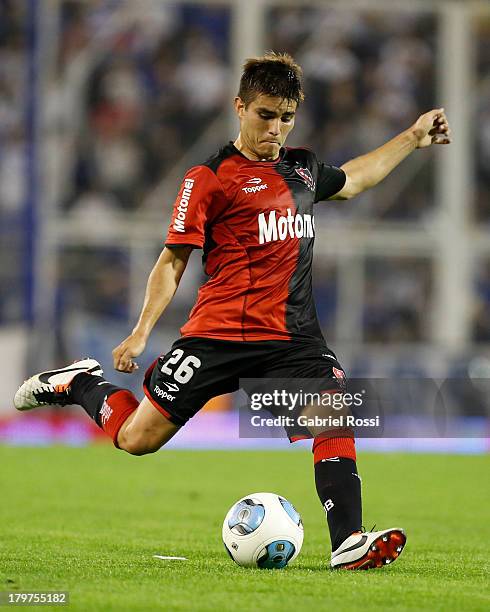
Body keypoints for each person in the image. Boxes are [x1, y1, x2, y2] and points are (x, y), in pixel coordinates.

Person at [14, 52, 451, 570]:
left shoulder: (303, 169)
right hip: (217, 335)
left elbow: (354, 179)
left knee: (332, 412)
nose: (276, 128)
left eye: (286, 117)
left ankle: (348, 541)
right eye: (266, 115)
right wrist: (140, 332)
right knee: (136, 440)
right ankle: (79, 383)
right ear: (239, 107)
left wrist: (412, 137)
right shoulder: (210, 178)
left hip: (293, 339)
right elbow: (172, 261)